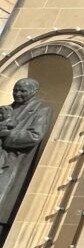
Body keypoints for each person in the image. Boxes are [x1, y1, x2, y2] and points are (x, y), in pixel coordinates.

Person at [0, 78, 53, 237]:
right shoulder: (5, 109)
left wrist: (6, 134)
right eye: (16, 90)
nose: (18, 94)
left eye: (23, 91)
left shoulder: (41, 109)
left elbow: (34, 136)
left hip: (13, 163)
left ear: (34, 92)